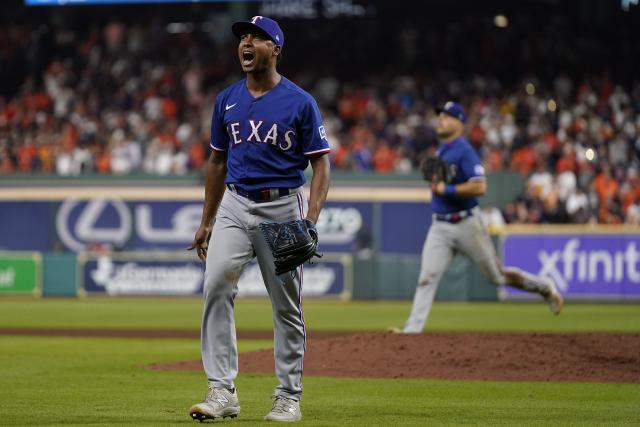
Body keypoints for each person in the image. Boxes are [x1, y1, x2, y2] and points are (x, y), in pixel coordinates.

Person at [187, 16, 330, 422]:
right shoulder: (227, 99)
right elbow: (216, 162)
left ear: (276, 49)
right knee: (215, 285)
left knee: (285, 306)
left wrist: (311, 219)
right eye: (243, 38)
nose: (246, 43)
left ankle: (288, 396)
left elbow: (321, 165)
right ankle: (221, 391)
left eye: (258, 38)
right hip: (234, 203)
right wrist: (207, 219)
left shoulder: (300, 101)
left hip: (282, 207)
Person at [396, 102, 563, 334]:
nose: (441, 120)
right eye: (440, 116)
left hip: (467, 224)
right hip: (440, 227)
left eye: (447, 116)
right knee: (427, 278)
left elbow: (479, 186)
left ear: (459, 123)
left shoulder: (465, 151)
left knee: (497, 277)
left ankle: (544, 287)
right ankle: (411, 332)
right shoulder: (442, 150)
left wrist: (448, 190)